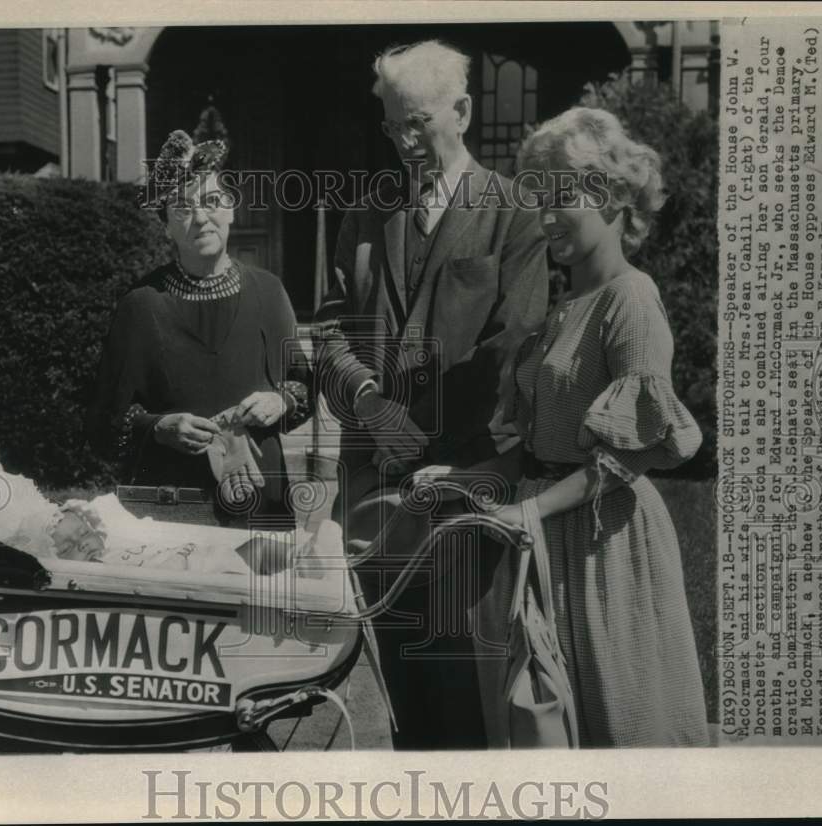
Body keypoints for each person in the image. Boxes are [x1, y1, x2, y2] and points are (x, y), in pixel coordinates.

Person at [313, 40, 549, 749]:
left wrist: (440, 449)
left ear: (463, 111)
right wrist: (367, 401)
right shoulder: (365, 215)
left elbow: (515, 349)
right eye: (391, 125)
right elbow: (328, 334)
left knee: (471, 707)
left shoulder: (513, 215)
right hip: (374, 507)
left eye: (417, 122)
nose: (403, 141)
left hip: (462, 498)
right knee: (407, 710)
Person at [479, 107, 709, 746]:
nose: (545, 215)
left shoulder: (630, 299)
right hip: (554, 535)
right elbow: (542, 445)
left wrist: (531, 512)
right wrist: (471, 477)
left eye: (562, 196)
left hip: (607, 544)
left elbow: (625, 459)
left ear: (610, 197)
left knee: (621, 726)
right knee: (551, 730)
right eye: (538, 197)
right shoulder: (564, 308)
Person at [86, 119, 311, 529]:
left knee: (267, 591)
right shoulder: (142, 305)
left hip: (262, 498)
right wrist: (157, 427)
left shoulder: (268, 291)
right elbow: (103, 422)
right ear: (165, 225)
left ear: (231, 208)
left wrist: (282, 401)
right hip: (175, 507)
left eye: (211, 201)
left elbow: (303, 387)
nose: (201, 218)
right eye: (183, 209)